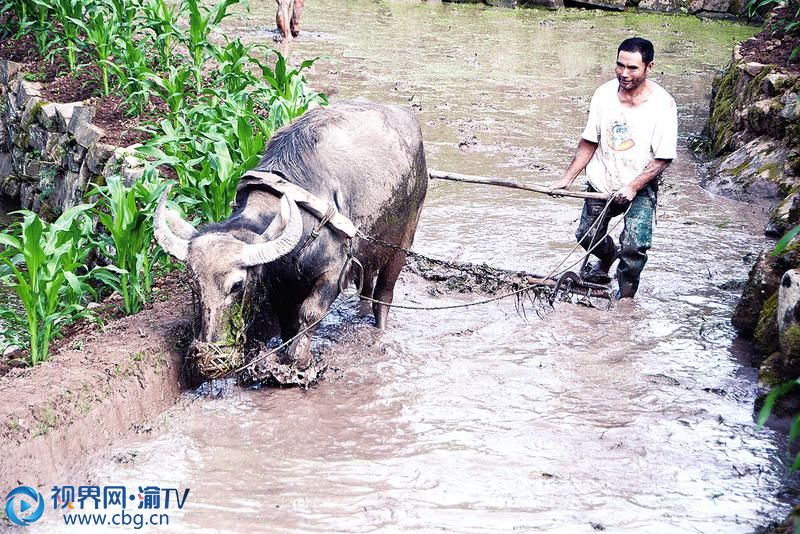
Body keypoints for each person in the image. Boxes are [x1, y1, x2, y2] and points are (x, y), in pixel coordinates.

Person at [550, 37, 678, 299]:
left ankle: (625, 301)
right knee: (587, 235)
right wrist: (568, 178)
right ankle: (607, 260)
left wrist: (632, 187)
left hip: (639, 185)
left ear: (649, 67)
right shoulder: (603, 94)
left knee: (634, 248)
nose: (624, 73)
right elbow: (589, 141)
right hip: (602, 181)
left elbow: (663, 158)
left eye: (632, 68)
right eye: (620, 66)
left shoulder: (663, 104)